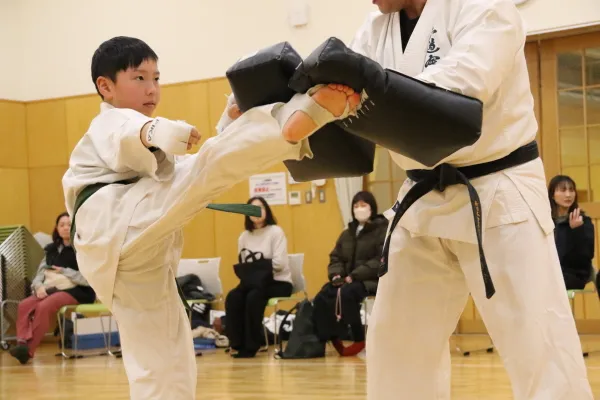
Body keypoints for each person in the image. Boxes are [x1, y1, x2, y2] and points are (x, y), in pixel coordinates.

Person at [62, 36, 360, 399]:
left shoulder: (139, 135)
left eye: (156, 78)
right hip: (111, 223)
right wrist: (158, 130)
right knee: (207, 171)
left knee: (166, 358)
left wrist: (227, 126)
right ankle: (298, 117)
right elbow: (131, 134)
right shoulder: (109, 123)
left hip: (132, 255)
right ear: (105, 87)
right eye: (139, 78)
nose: (152, 88)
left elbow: (185, 172)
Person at [348, 0, 594, 399]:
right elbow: (340, 85)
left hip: (498, 189)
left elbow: (460, 85)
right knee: (397, 340)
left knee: (537, 342)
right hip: (421, 198)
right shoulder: (376, 27)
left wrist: (355, 98)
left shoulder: (484, 6)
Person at [9, 212, 95, 364]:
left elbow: (89, 279)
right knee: (24, 305)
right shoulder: (50, 249)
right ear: (57, 228)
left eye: (69, 225)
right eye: (62, 225)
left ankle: (28, 350)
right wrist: (38, 287)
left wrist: (64, 271)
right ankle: (22, 343)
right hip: (51, 288)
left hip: (78, 291)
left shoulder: (83, 250)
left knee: (44, 306)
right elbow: (40, 274)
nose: (66, 228)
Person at [312, 191, 386, 356]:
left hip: (370, 280)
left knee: (347, 293)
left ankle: (358, 337)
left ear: (372, 207)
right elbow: (336, 257)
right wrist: (336, 275)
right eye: (356, 206)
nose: (359, 209)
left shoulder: (382, 230)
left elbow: (380, 259)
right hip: (346, 279)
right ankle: (331, 334)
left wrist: (355, 275)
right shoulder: (347, 233)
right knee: (323, 295)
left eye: (363, 205)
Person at [225, 196, 293, 358]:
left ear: (266, 210)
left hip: (277, 281)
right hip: (254, 281)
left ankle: (252, 346)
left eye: (260, 207)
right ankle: (237, 343)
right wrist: (259, 268)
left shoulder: (276, 232)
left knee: (253, 297)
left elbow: (280, 264)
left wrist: (257, 268)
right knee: (233, 297)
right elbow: (243, 263)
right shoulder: (244, 236)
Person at [548, 175, 595, 290]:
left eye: (571, 190)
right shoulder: (547, 222)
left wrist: (576, 231)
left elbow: (585, 257)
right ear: (552, 195)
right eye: (563, 190)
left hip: (573, 275)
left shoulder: (583, 221)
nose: (568, 195)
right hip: (550, 272)